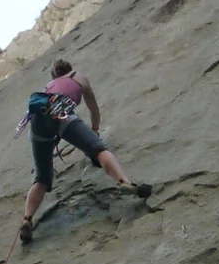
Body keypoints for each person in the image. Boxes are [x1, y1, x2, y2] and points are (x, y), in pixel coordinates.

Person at [19, 59, 151, 244]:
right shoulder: (79, 77)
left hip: (37, 122)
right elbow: (93, 109)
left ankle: (27, 219)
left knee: (41, 177)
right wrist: (94, 130)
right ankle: (124, 182)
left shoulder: (49, 85)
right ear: (69, 70)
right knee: (98, 150)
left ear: (53, 75)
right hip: (60, 112)